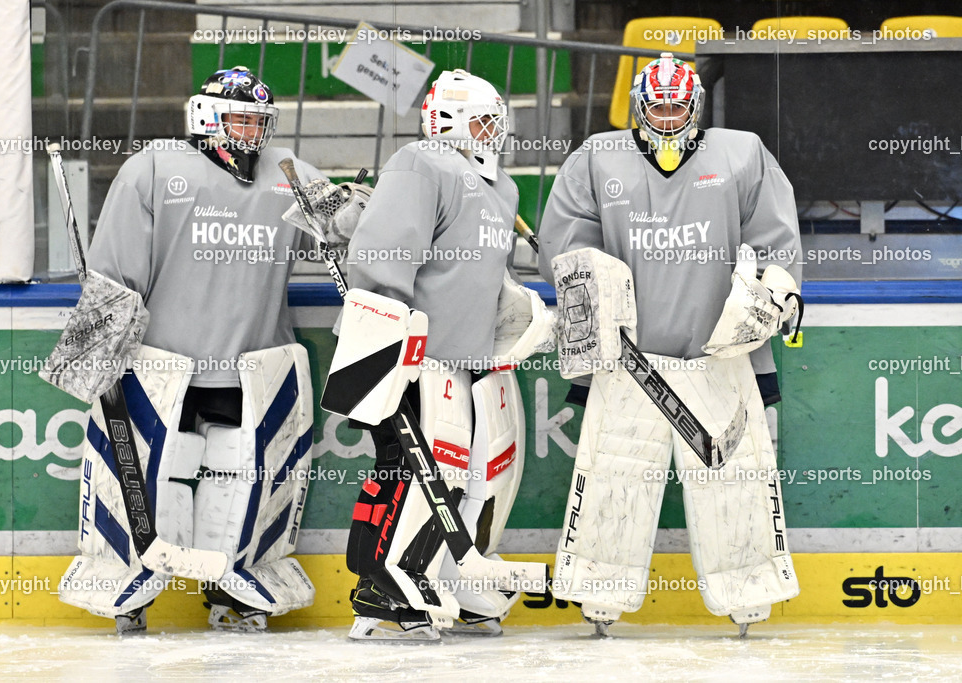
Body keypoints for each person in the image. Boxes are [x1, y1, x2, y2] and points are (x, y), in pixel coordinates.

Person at [52, 66, 353, 633]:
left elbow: (346, 228)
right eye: (241, 119)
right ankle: (128, 591)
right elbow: (115, 274)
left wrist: (361, 211)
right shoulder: (155, 168)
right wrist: (95, 358)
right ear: (205, 118)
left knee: (242, 491)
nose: (252, 132)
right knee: (143, 486)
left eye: (261, 121)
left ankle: (233, 593)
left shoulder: (289, 172)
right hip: (163, 371)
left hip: (252, 372)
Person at [537, 53, 802, 635]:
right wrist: (588, 286)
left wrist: (777, 291)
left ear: (697, 107)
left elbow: (776, 240)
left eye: (677, 104)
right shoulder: (595, 160)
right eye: (656, 104)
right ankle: (600, 592)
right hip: (629, 365)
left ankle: (748, 589)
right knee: (614, 478)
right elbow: (564, 247)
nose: (666, 114)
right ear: (638, 106)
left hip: (720, 360)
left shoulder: (742, 154)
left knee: (735, 479)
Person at [323, 69, 555, 640]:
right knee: (412, 474)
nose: (494, 132)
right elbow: (383, 258)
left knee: (475, 477)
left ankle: (451, 577)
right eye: (483, 120)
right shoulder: (419, 163)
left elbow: (483, 273)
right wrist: (385, 346)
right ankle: (385, 589)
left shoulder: (504, 189)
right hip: (417, 358)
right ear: (449, 120)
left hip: (472, 362)